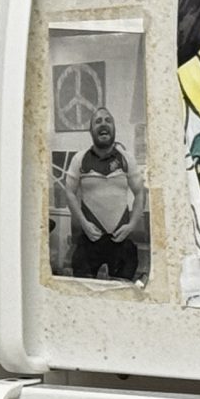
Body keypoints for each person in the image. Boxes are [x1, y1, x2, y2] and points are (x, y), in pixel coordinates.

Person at [62, 108, 145, 282]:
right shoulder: (79, 159)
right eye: (98, 121)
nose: (103, 124)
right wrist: (84, 224)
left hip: (120, 239)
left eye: (108, 120)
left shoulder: (127, 159)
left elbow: (140, 192)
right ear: (91, 130)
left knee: (123, 292)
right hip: (89, 239)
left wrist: (131, 225)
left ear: (114, 128)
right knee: (83, 290)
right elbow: (69, 191)